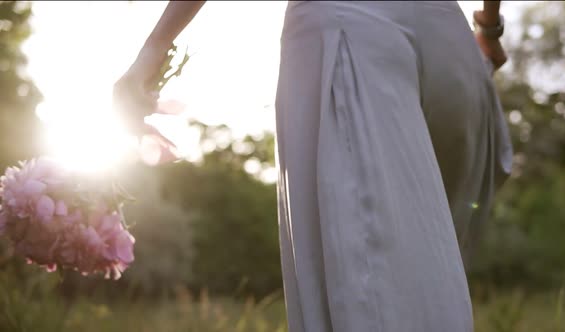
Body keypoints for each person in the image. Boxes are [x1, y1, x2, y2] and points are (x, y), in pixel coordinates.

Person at [113, 1, 513, 331]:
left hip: (347, 26)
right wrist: (489, 26)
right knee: (428, 272)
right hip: (445, 33)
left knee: (372, 282)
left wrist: (155, 46)